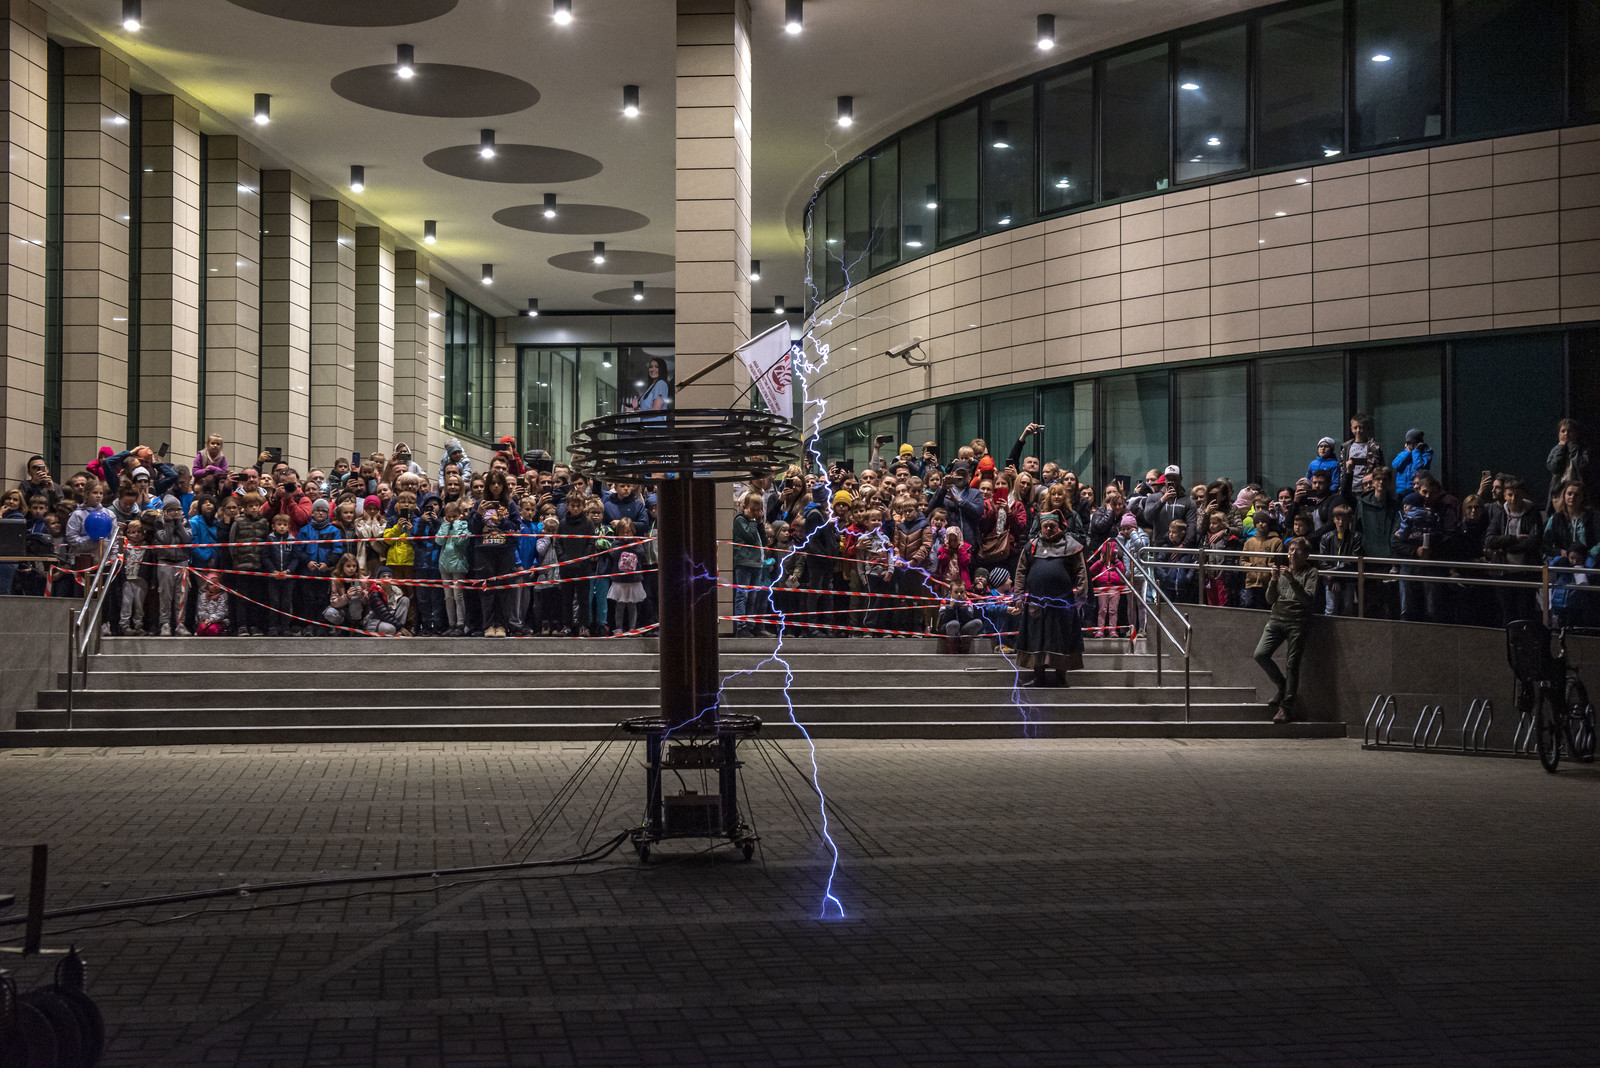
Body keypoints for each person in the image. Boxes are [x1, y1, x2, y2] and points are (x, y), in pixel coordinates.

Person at [1011, 511, 1089, 687]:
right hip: (1036, 603)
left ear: (1058, 526)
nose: (1047, 529)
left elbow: (1081, 571)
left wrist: (1081, 595)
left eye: (1051, 526)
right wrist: (1018, 595)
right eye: (1045, 526)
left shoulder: (1071, 545)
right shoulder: (1031, 546)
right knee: (1036, 639)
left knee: (1061, 639)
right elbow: (1021, 571)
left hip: (1062, 603)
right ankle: (1038, 677)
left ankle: (1061, 677)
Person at [1255, 537, 1321, 723]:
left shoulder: (1311, 572)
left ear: (1306, 554)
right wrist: (1273, 580)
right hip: (1277, 618)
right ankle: (1283, 686)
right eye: (1291, 550)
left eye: (1297, 551)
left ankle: (1286, 707)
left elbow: (1307, 599)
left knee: (1292, 664)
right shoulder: (1283, 571)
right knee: (1260, 654)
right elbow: (1270, 599)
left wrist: (1292, 580)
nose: (1292, 554)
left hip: (1297, 621)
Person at [1484, 475, 1542, 625]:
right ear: (1505, 495)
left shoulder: (1533, 514)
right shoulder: (1500, 515)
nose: (1513, 499)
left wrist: (1507, 546)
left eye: (1517, 495)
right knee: (1508, 615)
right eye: (1510, 495)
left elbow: (1534, 541)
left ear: (1523, 495)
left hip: (1526, 573)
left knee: (1525, 614)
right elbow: (1489, 540)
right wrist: (1514, 538)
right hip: (1504, 573)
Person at [470, 470, 522, 637]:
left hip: (505, 551)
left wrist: (503, 520)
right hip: (484, 552)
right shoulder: (479, 503)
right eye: (492, 483)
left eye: (499, 483)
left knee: (503, 590)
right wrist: (478, 514)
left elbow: (516, 528)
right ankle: (488, 626)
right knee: (487, 590)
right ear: (488, 485)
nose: (496, 486)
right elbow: (472, 529)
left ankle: (502, 626)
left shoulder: (510, 504)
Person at [297, 498, 344, 632]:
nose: (320, 513)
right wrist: (307, 561)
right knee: (308, 599)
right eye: (317, 510)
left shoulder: (334, 531)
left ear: (328, 513)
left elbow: (337, 549)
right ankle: (309, 626)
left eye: (324, 511)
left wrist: (327, 563)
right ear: (312, 513)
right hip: (308, 571)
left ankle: (321, 625)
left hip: (325, 571)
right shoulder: (305, 530)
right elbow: (298, 549)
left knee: (323, 599)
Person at [150, 495, 193, 636]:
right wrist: (169, 523)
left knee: (182, 595)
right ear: (165, 511)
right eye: (172, 510)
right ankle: (165, 624)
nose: (175, 512)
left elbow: (186, 539)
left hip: (182, 561)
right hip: (165, 562)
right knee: (165, 595)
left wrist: (179, 523)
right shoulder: (159, 522)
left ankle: (180, 624)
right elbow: (165, 540)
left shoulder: (185, 522)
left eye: (178, 509)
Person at [230, 492, 271, 636]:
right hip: (242, 567)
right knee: (242, 598)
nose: (254, 508)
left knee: (256, 597)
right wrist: (236, 562)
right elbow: (232, 544)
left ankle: (254, 625)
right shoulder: (238, 522)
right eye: (251, 505)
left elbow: (267, 544)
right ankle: (242, 625)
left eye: (256, 505)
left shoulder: (264, 523)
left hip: (258, 566)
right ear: (245, 508)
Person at [1318, 504, 1364, 616]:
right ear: (1334, 519)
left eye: (1344, 519)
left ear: (1350, 520)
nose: (1341, 522)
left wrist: (1334, 575)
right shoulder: (1326, 537)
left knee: (1348, 609)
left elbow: (1352, 561)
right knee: (1331, 609)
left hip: (1347, 579)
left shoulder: (1355, 537)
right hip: (1330, 580)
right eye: (1338, 519)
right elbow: (1322, 561)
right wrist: (1334, 579)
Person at [261, 510, 301, 636]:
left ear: (289, 526)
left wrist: (288, 571)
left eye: (285, 525)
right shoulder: (270, 539)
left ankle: (285, 626)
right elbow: (265, 557)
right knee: (274, 601)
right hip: (273, 577)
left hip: (288, 577)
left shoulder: (292, 540)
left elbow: (295, 558)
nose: (282, 527)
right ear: (273, 526)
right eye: (279, 524)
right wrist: (273, 570)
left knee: (286, 602)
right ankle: (273, 626)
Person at [436, 499, 472, 636]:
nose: (451, 519)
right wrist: (445, 525)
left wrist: (457, 524)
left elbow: (459, 540)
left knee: (458, 596)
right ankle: (451, 624)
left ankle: (460, 624)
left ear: (460, 515)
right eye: (449, 516)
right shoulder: (444, 525)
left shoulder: (464, 525)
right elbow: (439, 540)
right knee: (448, 597)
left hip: (458, 564)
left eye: (454, 516)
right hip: (444, 564)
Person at [607, 517, 647, 635]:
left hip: (633, 580)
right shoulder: (616, 543)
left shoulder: (637, 543)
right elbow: (613, 555)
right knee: (619, 606)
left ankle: (632, 628)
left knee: (632, 606)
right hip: (620, 581)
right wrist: (622, 548)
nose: (625, 535)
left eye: (628, 532)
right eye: (623, 532)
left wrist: (632, 547)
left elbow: (642, 555)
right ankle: (619, 628)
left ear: (633, 532)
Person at [1240, 515, 1283, 611]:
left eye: (1263, 521)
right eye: (1258, 522)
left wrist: (1269, 567)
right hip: (1251, 581)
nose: (1260, 524)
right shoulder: (1249, 542)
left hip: (1268, 582)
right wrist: (1252, 567)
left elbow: (1279, 561)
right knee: (1248, 606)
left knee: (1266, 607)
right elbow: (1243, 561)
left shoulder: (1276, 541)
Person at [118, 517, 152, 635]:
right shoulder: (125, 546)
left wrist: (152, 581)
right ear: (128, 533)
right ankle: (125, 625)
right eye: (133, 532)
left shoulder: (147, 547)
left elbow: (151, 566)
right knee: (126, 603)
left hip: (141, 579)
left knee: (139, 604)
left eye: (139, 532)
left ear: (143, 533)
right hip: (127, 579)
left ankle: (138, 626)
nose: (136, 535)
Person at [1546, 419, 1591, 508]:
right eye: (1563, 431)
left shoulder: (1583, 450)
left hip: (1577, 489)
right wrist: (1560, 449)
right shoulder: (1555, 450)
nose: (1566, 434)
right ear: (1559, 434)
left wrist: (1572, 448)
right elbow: (1553, 467)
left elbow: (1582, 467)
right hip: (1559, 490)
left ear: (1575, 433)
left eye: (1570, 431)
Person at [1087, 538, 1126, 637]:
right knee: (1102, 610)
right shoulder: (1101, 564)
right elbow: (1091, 571)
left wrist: (1116, 560)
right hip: (1102, 588)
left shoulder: (1117, 563)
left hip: (1115, 588)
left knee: (1113, 610)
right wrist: (1100, 561)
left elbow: (1123, 571)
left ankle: (1112, 630)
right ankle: (1100, 630)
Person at [1339, 413, 1384, 490]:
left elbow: (1380, 468)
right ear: (1351, 429)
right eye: (1355, 428)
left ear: (1367, 428)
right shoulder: (1346, 447)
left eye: (1361, 427)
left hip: (1368, 488)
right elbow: (1342, 469)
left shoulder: (1374, 448)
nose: (1358, 430)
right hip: (1350, 488)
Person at [323, 553, 367, 631]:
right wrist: (346, 597)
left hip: (359, 611)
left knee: (355, 598)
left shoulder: (361, 579)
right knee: (329, 613)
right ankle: (343, 626)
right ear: (342, 566)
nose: (352, 568)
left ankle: (356, 624)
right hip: (341, 610)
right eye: (348, 566)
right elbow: (333, 602)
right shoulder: (336, 579)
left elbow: (368, 601)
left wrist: (361, 594)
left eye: (354, 566)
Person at [365, 566, 411, 637]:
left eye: (389, 576)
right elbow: (384, 615)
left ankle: (397, 630)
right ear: (378, 579)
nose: (387, 578)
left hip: (391, 620)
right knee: (390, 629)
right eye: (383, 576)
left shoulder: (396, 591)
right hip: (375, 621)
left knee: (405, 600)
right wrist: (401, 629)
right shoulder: (375, 593)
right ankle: (397, 630)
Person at [1392, 428, 1433, 496]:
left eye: (1413, 443)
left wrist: (1416, 451)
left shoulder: (1426, 453)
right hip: (1401, 491)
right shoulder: (1404, 453)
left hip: (1416, 490)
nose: (1410, 445)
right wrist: (1407, 453)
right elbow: (1395, 465)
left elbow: (1419, 467)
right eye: (1408, 443)